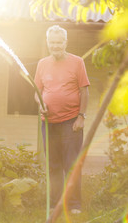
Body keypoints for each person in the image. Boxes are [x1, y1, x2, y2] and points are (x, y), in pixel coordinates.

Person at [34, 25, 90, 214]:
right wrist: (40, 105)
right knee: (53, 165)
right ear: (47, 43)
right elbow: (38, 92)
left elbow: (84, 91)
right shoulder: (42, 63)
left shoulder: (77, 62)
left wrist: (81, 117)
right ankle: (55, 204)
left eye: (59, 42)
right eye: (52, 42)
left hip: (70, 122)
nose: (55, 46)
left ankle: (74, 204)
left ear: (65, 43)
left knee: (71, 164)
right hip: (48, 123)